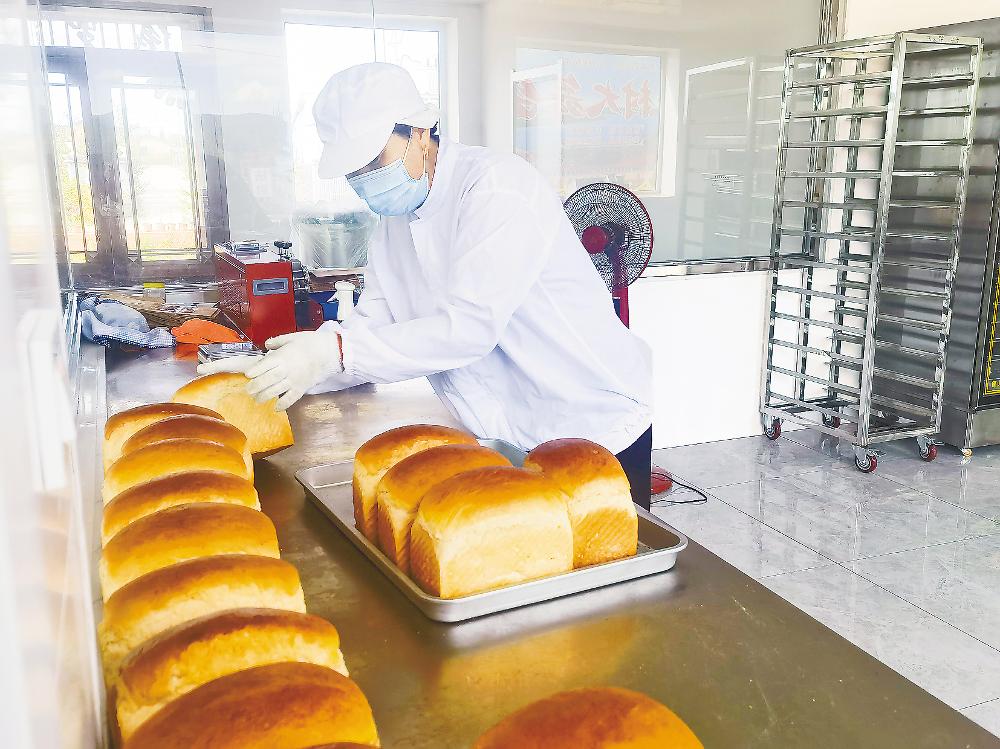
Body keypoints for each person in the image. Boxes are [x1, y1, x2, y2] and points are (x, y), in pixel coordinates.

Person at [199, 63, 654, 507]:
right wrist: (285, 367)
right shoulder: (394, 226)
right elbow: (369, 331)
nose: (364, 180)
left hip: (592, 424)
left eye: (374, 159)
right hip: (505, 437)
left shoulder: (497, 189)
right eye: (353, 171)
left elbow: (468, 330)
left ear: (419, 132)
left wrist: (332, 352)